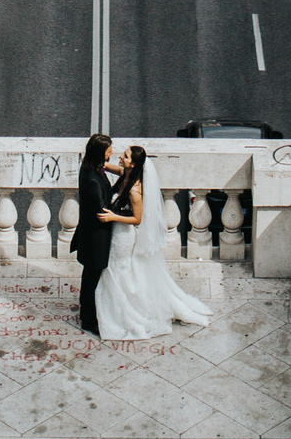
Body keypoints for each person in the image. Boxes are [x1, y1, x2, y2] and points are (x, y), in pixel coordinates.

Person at [92, 145, 214, 341]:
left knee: (118, 271)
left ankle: (127, 313)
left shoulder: (134, 190)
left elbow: (137, 219)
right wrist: (97, 161)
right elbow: (108, 166)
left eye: (125, 156)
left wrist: (113, 217)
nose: (120, 158)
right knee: (118, 271)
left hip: (124, 235)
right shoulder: (125, 173)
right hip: (117, 232)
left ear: (133, 163)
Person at [74, 133, 118, 336]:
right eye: (109, 149)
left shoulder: (89, 169)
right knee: (93, 278)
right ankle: (89, 320)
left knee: (89, 276)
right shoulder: (93, 180)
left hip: (89, 235)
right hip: (96, 238)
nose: (112, 152)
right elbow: (103, 210)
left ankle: (87, 314)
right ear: (101, 152)